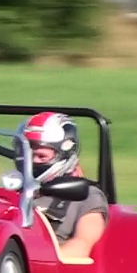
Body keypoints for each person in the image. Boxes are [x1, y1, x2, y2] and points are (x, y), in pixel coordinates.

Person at [19, 111, 108, 260]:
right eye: (27, 154)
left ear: (63, 154)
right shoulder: (16, 190)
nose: (33, 161)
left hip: (48, 269)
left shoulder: (87, 196)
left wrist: (36, 261)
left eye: (41, 156)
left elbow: (82, 244)